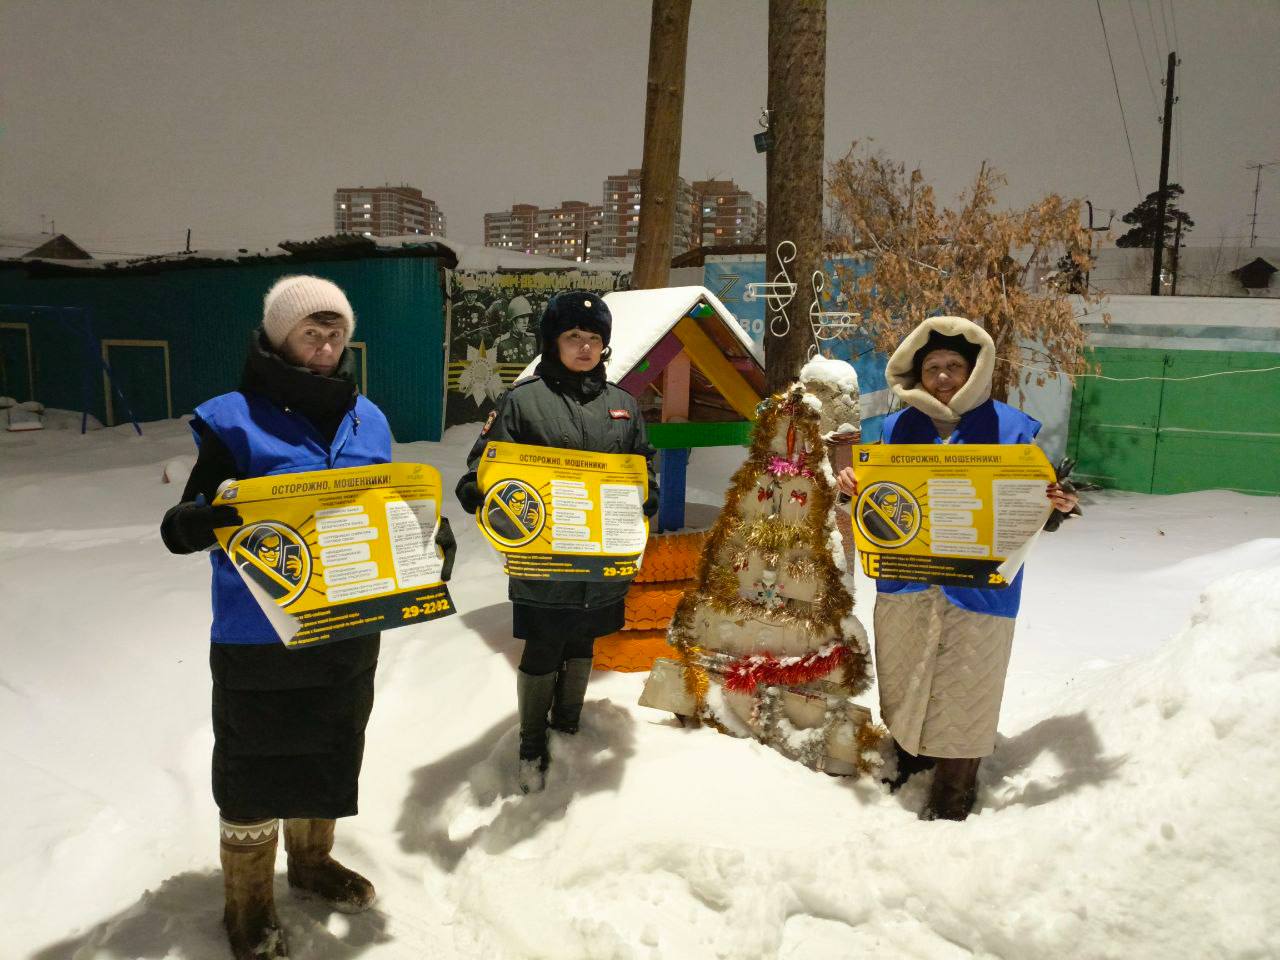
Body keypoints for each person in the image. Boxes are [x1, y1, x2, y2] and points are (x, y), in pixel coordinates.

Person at [161, 276, 437, 959]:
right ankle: (248, 904)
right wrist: (199, 521)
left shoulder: (369, 419)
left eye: (335, 332)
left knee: (329, 750)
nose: (325, 344)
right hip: (259, 631)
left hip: (347, 623)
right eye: (311, 332)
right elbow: (185, 519)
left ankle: (311, 864)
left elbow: (383, 505)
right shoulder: (233, 419)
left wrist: (425, 538)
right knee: (254, 765)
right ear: (279, 337)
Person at [836, 316, 1079, 822]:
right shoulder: (897, 428)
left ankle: (953, 792)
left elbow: (1035, 503)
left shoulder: (1011, 429)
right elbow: (879, 499)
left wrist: (1056, 504)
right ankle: (909, 761)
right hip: (908, 580)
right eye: (932, 367)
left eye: (953, 365)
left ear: (974, 370)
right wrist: (853, 487)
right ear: (916, 373)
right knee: (905, 676)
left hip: (979, 588)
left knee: (968, 687)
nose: (943, 376)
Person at [455, 291, 657, 794]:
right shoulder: (523, 400)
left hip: (600, 553)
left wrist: (649, 491)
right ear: (553, 342)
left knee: (584, 638)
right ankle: (531, 744)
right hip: (544, 553)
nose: (585, 347)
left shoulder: (623, 405)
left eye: (594, 339)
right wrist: (477, 487)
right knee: (544, 642)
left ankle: (567, 725)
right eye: (573, 337)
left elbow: (642, 461)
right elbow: (487, 460)